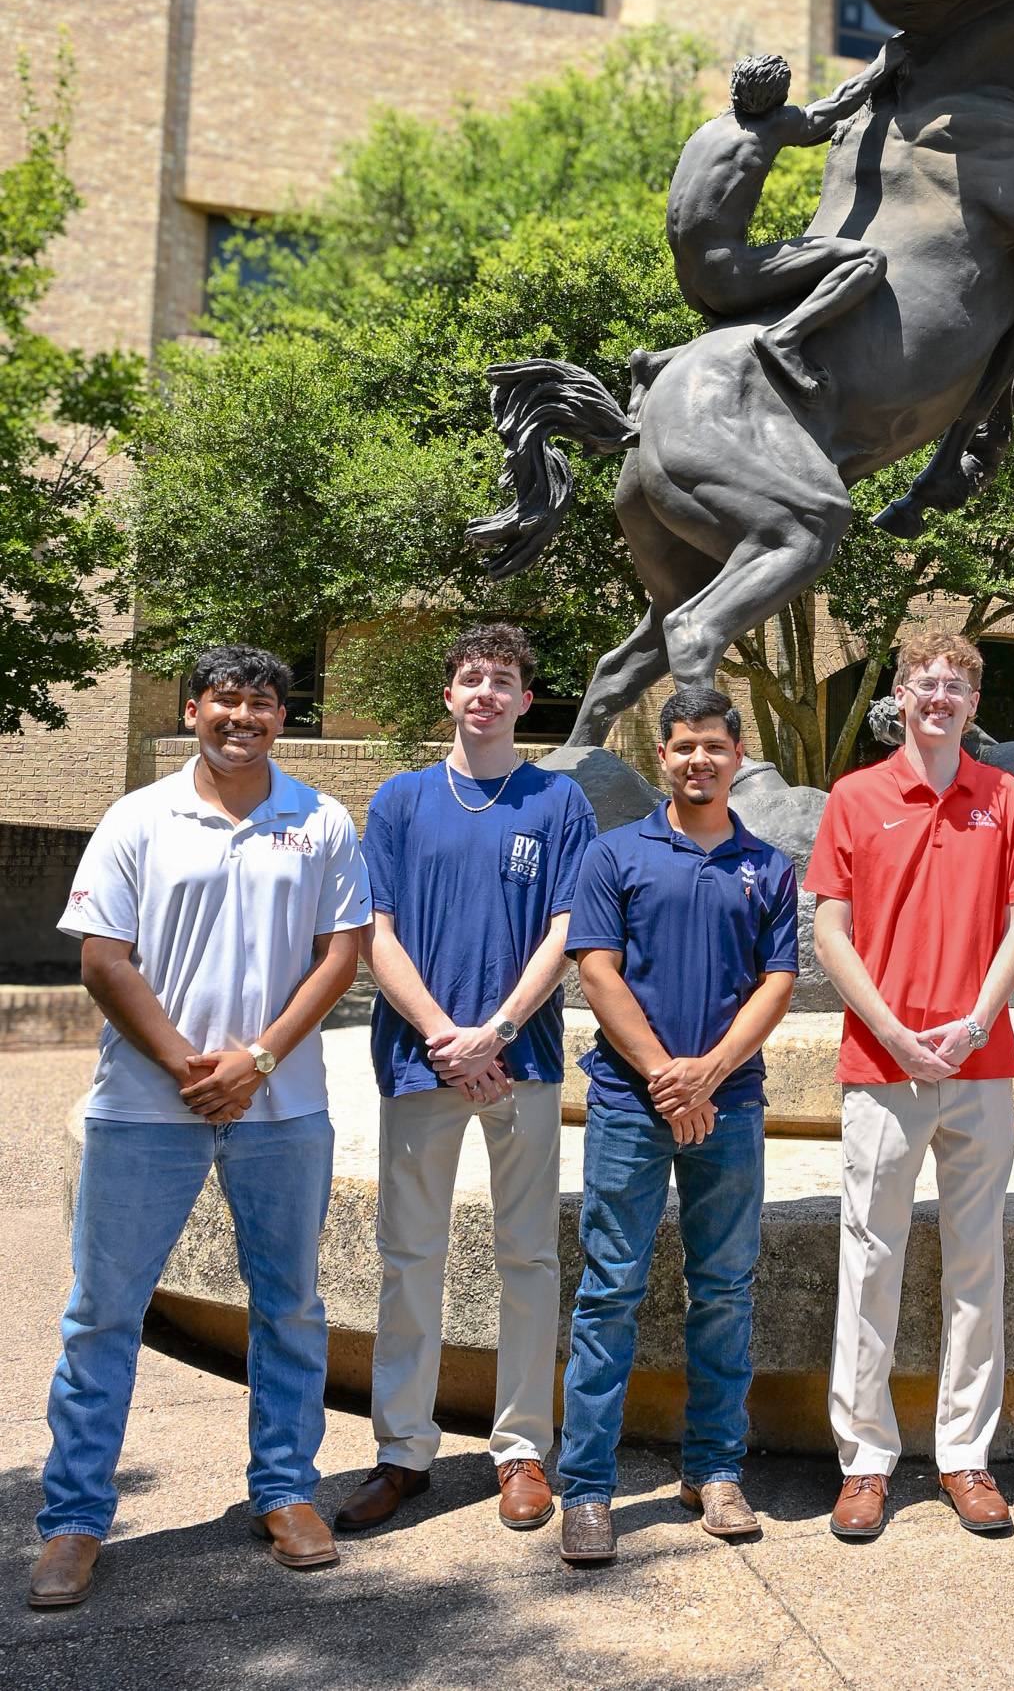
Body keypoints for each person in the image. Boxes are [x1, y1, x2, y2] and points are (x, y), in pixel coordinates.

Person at [30, 646, 369, 1609]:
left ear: (283, 718)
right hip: (146, 1108)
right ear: (192, 711)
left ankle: (286, 1492)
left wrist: (255, 1061)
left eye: (262, 703)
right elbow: (104, 959)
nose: (242, 717)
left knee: (290, 1308)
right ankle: (74, 1519)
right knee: (102, 1314)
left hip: (283, 1108)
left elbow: (341, 955)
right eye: (225, 701)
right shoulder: (138, 817)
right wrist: (190, 1066)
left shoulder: (321, 819)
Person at [335, 625, 595, 1538]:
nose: (486, 692)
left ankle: (521, 1448)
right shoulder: (401, 799)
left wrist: (498, 1034)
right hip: (421, 1061)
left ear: (526, 699)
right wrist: (448, 1037)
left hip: (522, 1060)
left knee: (528, 1256)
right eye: (472, 678)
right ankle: (403, 1450)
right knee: (410, 1256)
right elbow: (374, 933)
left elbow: (568, 929)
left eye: (504, 679)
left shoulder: (559, 800)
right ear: (449, 694)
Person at [807, 625, 1014, 1540]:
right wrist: (895, 1033)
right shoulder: (855, 796)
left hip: (980, 1063)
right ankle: (865, 1462)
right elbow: (831, 930)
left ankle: (964, 1453)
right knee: (870, 1259)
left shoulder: (1004, 797)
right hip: (882, 1066)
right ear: (900, 697)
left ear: (973, 704)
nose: (939, 696)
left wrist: (977, 1022)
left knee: (976, 1262)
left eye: (955, 685)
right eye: (925, 682)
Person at [555, 686, 798, 1564]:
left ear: (738, 757)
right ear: (662, 755)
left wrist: (709, 1075)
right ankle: (587, 1487)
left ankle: (715, 1470)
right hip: (631, 1105)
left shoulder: (768, 866)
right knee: (609, 1292)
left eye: (715, 747)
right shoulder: (615, 853)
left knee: (725, 1290)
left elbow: (777, 982)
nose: (700, 759)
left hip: (729, 1107)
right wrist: (668, 1076)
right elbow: (597, 970)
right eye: (685, 746)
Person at [640, 46, 900, 407]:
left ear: (735, 88)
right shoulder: (773, 125)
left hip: (691, 283)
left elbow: (812, 130)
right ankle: (785, 339)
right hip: (728, 279)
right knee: (867, 260)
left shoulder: (710, 129)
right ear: (780, 99)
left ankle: (655, 363)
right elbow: (837, 104)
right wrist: (887, 61)